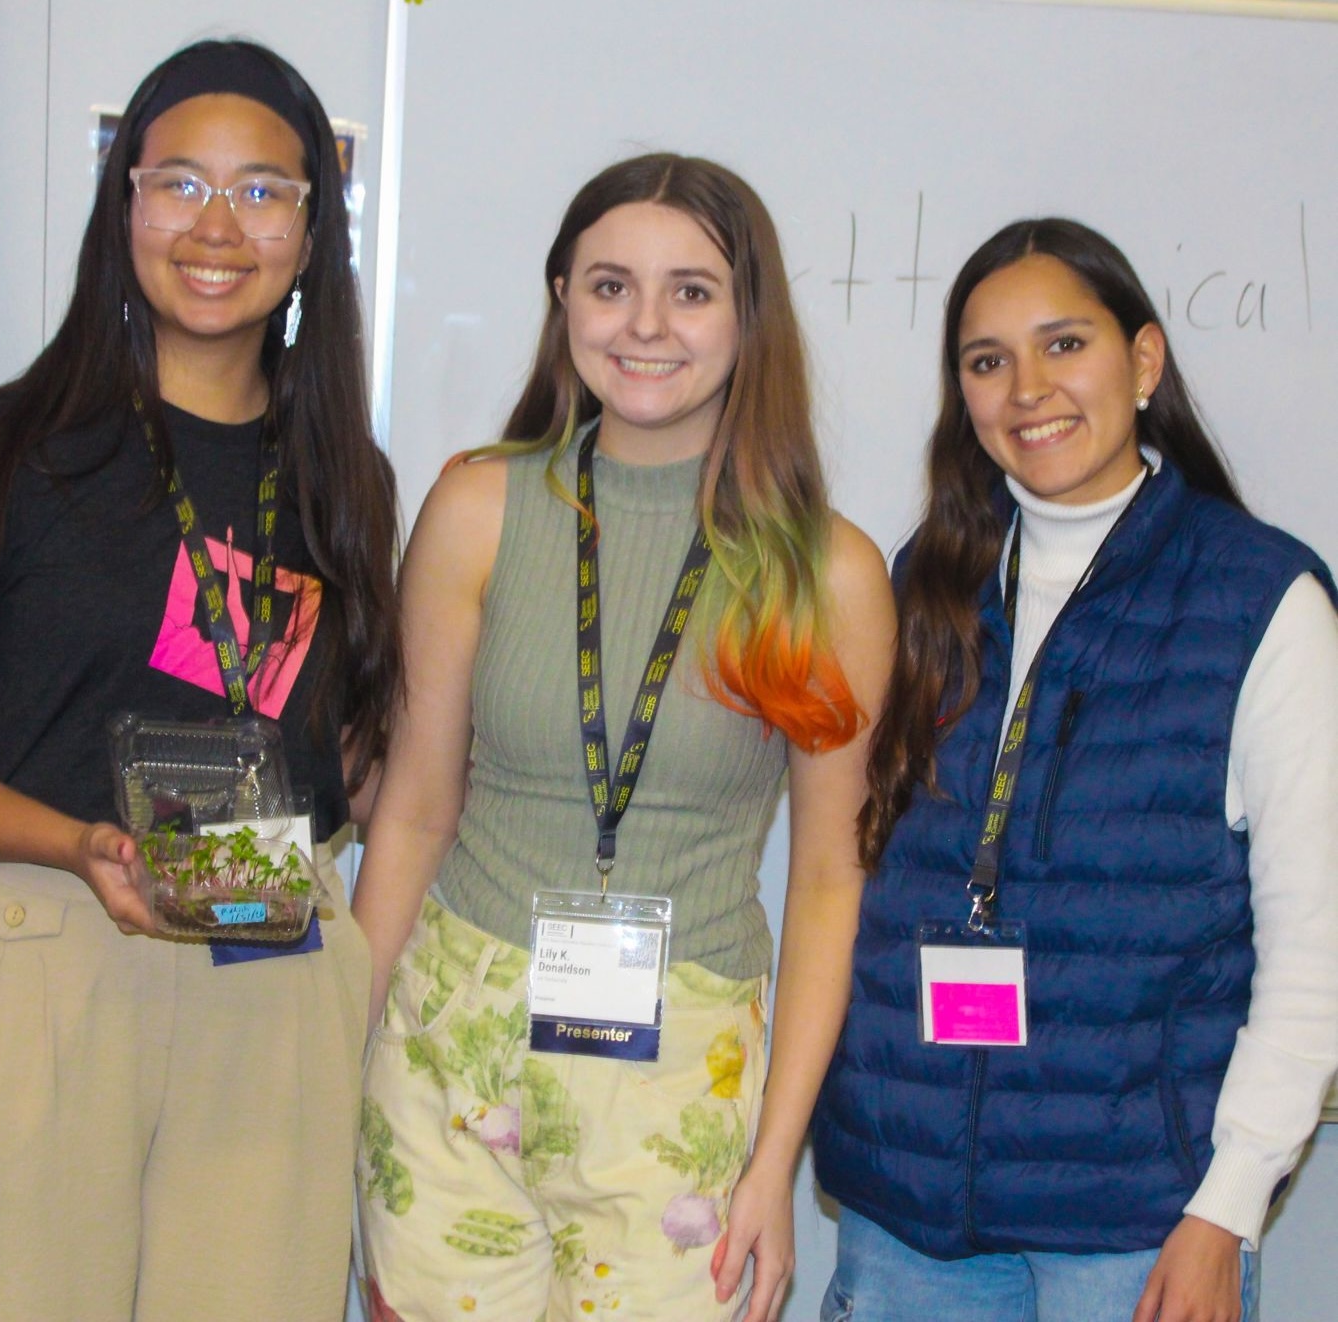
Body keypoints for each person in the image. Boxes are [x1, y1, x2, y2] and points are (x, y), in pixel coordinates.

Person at [0, 39, 401, 1322]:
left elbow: (357, 763)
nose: (219, 225)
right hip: (38, 944)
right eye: (180, 183)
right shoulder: (2, 450)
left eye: (264, 191)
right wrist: (80, 842)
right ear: (125, 208)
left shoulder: (348, 481)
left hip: (266, 958)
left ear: (315, 231)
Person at [353, 153, 894, 1322]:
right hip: (452, 1042)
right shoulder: (477, 507)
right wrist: (334, 1049)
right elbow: (412, 808)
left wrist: (775, 1162)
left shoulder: (828, 571)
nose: (646, 324)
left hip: (683, 1066)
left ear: (749, 318)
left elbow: (827, 880)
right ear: (562, 302)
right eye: (610, 286)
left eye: (692, 291)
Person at [811, 218, 1338, 1322]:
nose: (1027, 389)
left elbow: (1314, 945)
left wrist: (1225, 1209)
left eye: (1065, 345)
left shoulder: (1261, 600)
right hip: (907, 1206)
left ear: (1143, 362)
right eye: (987, 361)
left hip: (1139, 1224)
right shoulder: (921, 584)